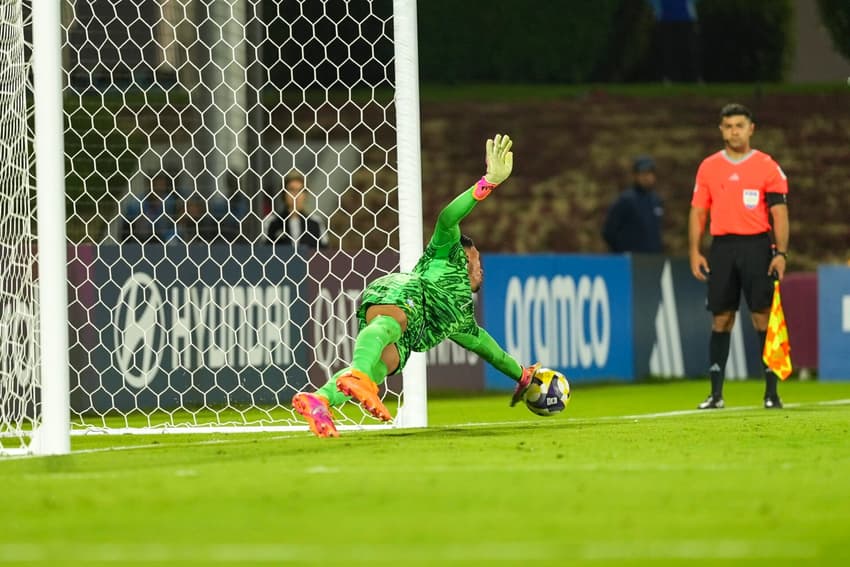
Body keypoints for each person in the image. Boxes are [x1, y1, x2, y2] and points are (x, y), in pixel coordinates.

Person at [292, 134, 541, 437]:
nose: (481, 268)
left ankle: (320, 400)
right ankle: (358, 375)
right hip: (406, 292)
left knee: (383, 365)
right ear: (465, 254)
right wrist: (488, 183)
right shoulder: (446, 253)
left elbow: (494, 354)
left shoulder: (462, 321)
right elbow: (448, 218)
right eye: (477, 259)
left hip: (407, 336)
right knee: (390, 325)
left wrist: (524, 377)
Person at [689, 103, 789, 410]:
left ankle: (771, 394)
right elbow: (698, 212)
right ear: (721, 130)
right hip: (722, 247)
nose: (734, 131)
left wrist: (781, 253)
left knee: (762, 316)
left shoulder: (767, 166)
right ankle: (715, 394)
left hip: (757, 246)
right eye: (729, 126)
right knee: (721, 318)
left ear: (751, 129)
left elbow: (780, 213)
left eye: (739, 126)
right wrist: (694, 251)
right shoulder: (709, 167)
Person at [602, 155, 664, 253]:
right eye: (643, 173)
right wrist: (622, 252)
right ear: (635, 176)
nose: (647, 177)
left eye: (650, 173)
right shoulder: (626, 200)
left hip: (653, 258)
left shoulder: (656, 200)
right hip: (631, 258)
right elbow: (609, 231)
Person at [262, 171, 328, 250]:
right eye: (291, 189)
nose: (296, 194)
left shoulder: (316, 223)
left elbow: (324, 253)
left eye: (300, 190)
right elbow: (264, 252)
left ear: (305, 194)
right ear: (284, 193)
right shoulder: (271, 222)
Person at [120, 173, 180, 242]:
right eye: (156, 186)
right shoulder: (136, 205)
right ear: (149, 186)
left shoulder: (170, 203)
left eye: (162, 186)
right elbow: (126, 229)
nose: (159, 189)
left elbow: (175, 224)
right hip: (141, 240)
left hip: (163, 241)